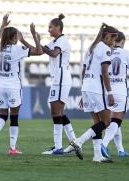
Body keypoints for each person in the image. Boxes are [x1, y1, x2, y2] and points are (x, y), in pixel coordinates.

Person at [0, 14, 43, 154]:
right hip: (13, 86)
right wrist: (30, 38)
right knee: (14, 117)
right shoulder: (18, 49)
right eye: (16, 37)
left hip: (0, 86)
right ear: (14, 38)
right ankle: (12, 148)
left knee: (2, 116)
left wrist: (2, 26)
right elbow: (39, 51)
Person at [70, 23, 118, 163]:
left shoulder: (90, 48)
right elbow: (104, 72)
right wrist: (110, 92)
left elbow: (84, 71)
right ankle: (79, 141)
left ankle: (97, 155)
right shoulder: (105, 49)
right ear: (107, 36)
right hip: (97, 88)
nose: (113, 43)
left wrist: (83, 91)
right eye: (113, 39)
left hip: (87, 86)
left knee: (97, 121)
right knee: (107, 121)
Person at [101, 31, 129, 158]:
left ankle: (120, 150)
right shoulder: (125, 53)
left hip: (107, 90)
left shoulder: (107, 52)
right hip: (120, 91)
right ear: (123, 41)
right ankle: (103, 144)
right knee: (116, 121)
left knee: (114, 120)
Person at [38, 14, 77, 155]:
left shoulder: (62, 41)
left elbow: (53, 54)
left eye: (50, 27)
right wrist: (27, 40)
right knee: (59, 112)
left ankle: (58, 147)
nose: (48, 30)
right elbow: (41, 50)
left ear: (57, 27)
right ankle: (74, 141)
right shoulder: (55, 41)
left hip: (61, 78)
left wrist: (41, 46)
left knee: (55, 112)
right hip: (59, 78)